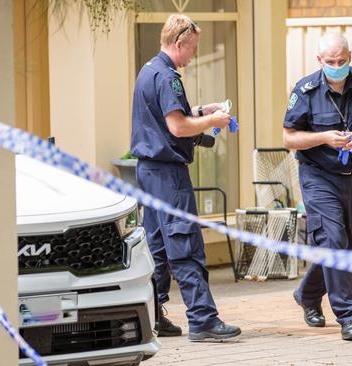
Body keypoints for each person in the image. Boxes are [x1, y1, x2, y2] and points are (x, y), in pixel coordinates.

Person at [130, 14, 240, 342]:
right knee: (184, 241)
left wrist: (204, 111)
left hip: (149, 173)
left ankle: (152, 314)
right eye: (193, 48)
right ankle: (203, 319)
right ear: (180, 44)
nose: (194, 55)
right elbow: (178, 128)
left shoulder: (149, 71)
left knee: (157, 245)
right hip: (168, 174)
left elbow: (171, 118)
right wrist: (214, 122)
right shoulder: (168, 77)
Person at [283, 33, 352, 341]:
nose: (336, 66)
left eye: (342, 61)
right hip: (318, 176)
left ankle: (307, 294)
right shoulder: (305, 90)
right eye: (330, 62)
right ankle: (349, 316)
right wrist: (324, 137)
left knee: (346, 246)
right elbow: (289, 138)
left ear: (350, 56)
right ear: (319, 61)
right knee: (333, 240)